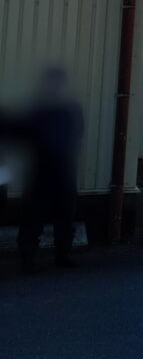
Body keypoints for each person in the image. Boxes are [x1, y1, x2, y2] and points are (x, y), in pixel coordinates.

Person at [17, 68, 84, 274]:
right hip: (49, 171)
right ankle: (34, 259)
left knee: (59, 218)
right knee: (38, 218)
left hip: (54, 170)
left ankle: (53, 256)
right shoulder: (55, 108)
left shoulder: (45, 108)